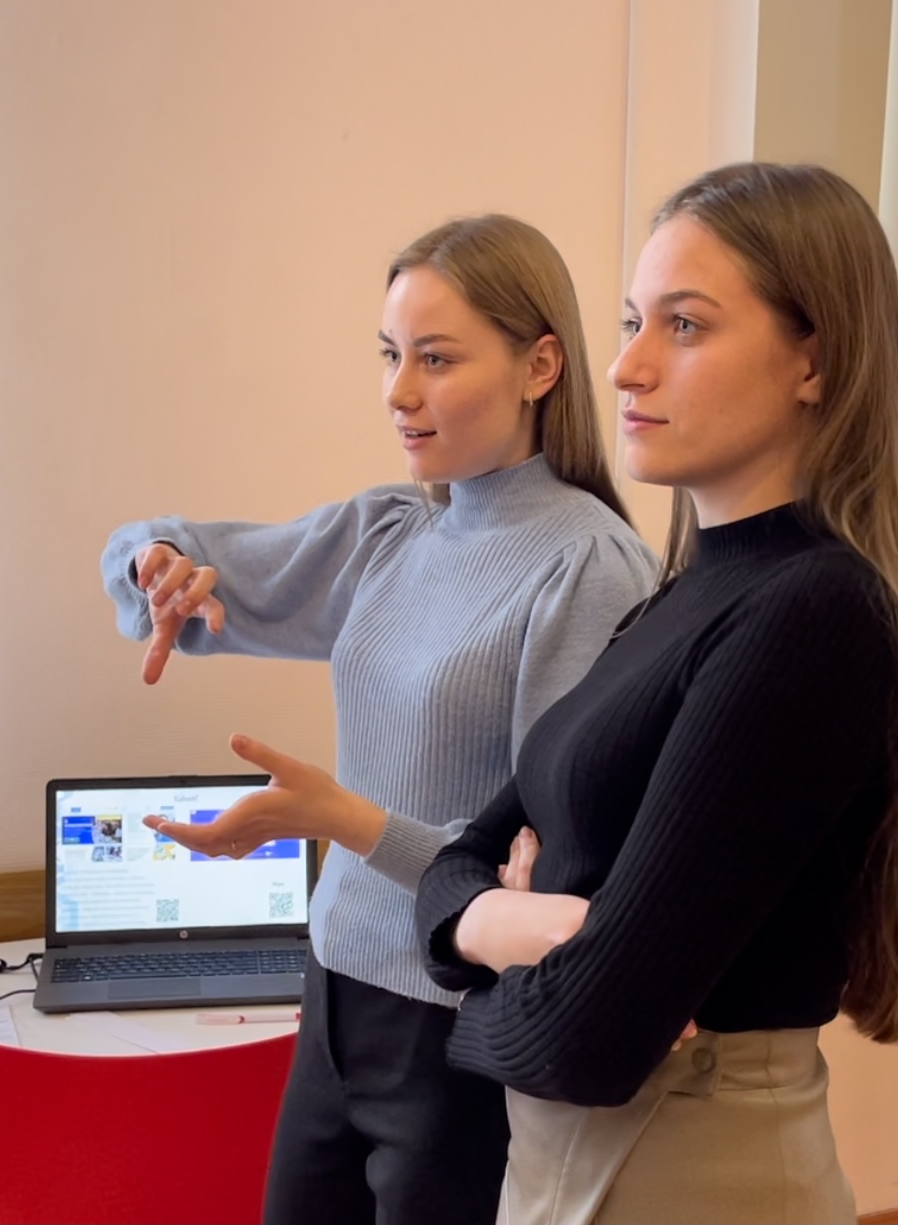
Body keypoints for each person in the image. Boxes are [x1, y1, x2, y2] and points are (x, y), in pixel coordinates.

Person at [413, 162, 898, 1224]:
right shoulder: (679, 597)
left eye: (685, 326)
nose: (625, 366)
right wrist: (510, 925)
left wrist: (479, 969)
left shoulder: (813, 613)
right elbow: (455, 861)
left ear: (814, 361)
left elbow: (589, 1035)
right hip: (581, 1158)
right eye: (631, 322)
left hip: (691, 1165)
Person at [100, 214, 656, 1225]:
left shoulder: (588, 567)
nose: (399, 392)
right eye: (390, 355)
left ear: (539, 366)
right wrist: (156, 567)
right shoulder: (392, 532)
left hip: (455, 1029)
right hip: (333, 988)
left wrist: (341, 819)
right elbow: (169, 551)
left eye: (435, 359)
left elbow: (551, 877)